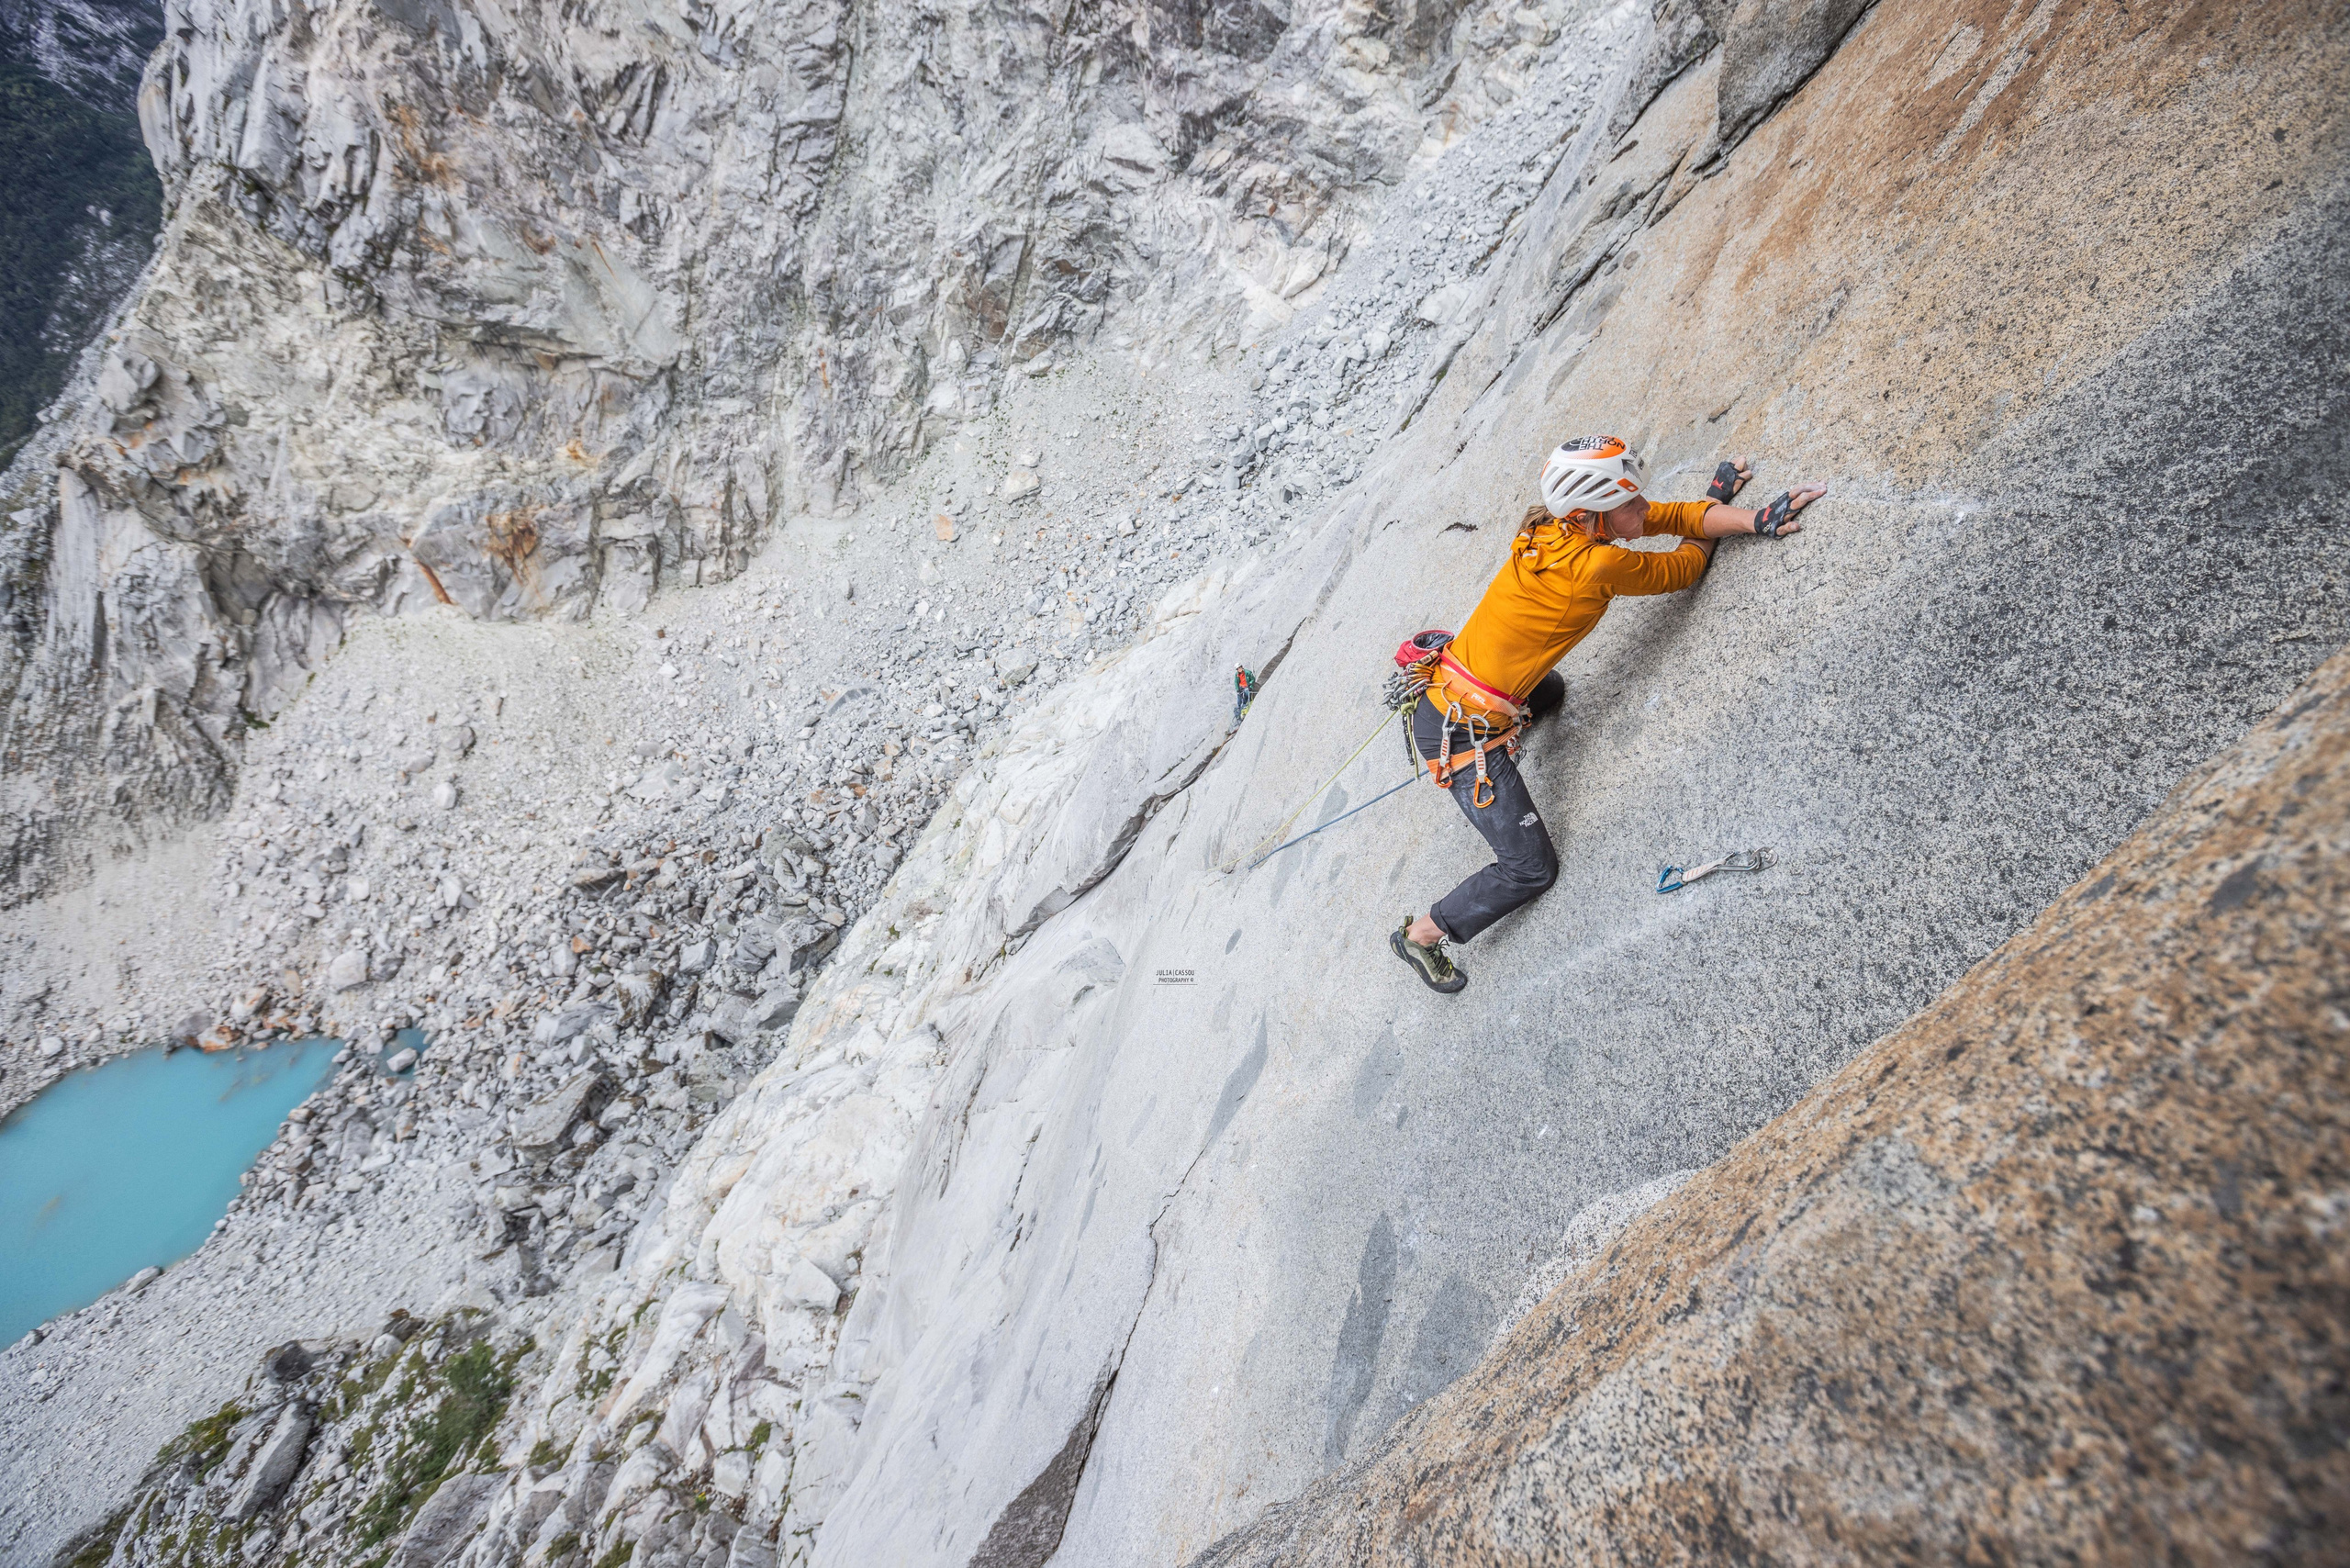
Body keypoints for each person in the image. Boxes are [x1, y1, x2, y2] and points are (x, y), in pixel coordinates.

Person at [1390, 436, 1825, 993]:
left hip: (1458, 690)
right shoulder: (1596, 565)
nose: (1644, 509)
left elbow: (1662, 517)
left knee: (1551, 690)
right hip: (1462, 735)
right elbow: (1685, 566)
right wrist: (1733, 518)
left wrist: (1744, 515)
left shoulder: (1545, 526)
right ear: (1590, 518)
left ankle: (1517, 713)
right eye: (1630, 503)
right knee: (1531, 870)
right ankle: (1421, 935)